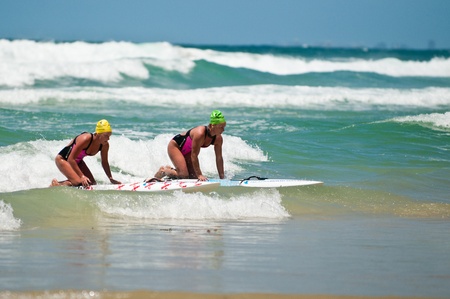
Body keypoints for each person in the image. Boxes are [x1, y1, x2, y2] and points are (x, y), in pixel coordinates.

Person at [51, 119, 121, 187]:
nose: (108, 138)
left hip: (77, 162)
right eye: (106, 136)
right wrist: (82, 176)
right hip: (63, 160)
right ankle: (56, 184)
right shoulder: (85, 139)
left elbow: (104, 162)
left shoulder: (104, 145)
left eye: (109, 136)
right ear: (99, 134)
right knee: (78, 182)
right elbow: (71, 159)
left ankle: (70, 182)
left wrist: (110, 178)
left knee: (91, 183)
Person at [165, 110, 226, 181]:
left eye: (224, 127)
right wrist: (200, 174)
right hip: (176, 146)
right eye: (221, 127)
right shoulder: (200, 133)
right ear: (213, 125)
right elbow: (194, 155)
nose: (223, 130)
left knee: (193, 177)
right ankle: (164, 170)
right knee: (184, 176)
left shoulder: (218, 139)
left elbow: (219, 158)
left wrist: (222, 178)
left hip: (188, 151)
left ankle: (175, 172)